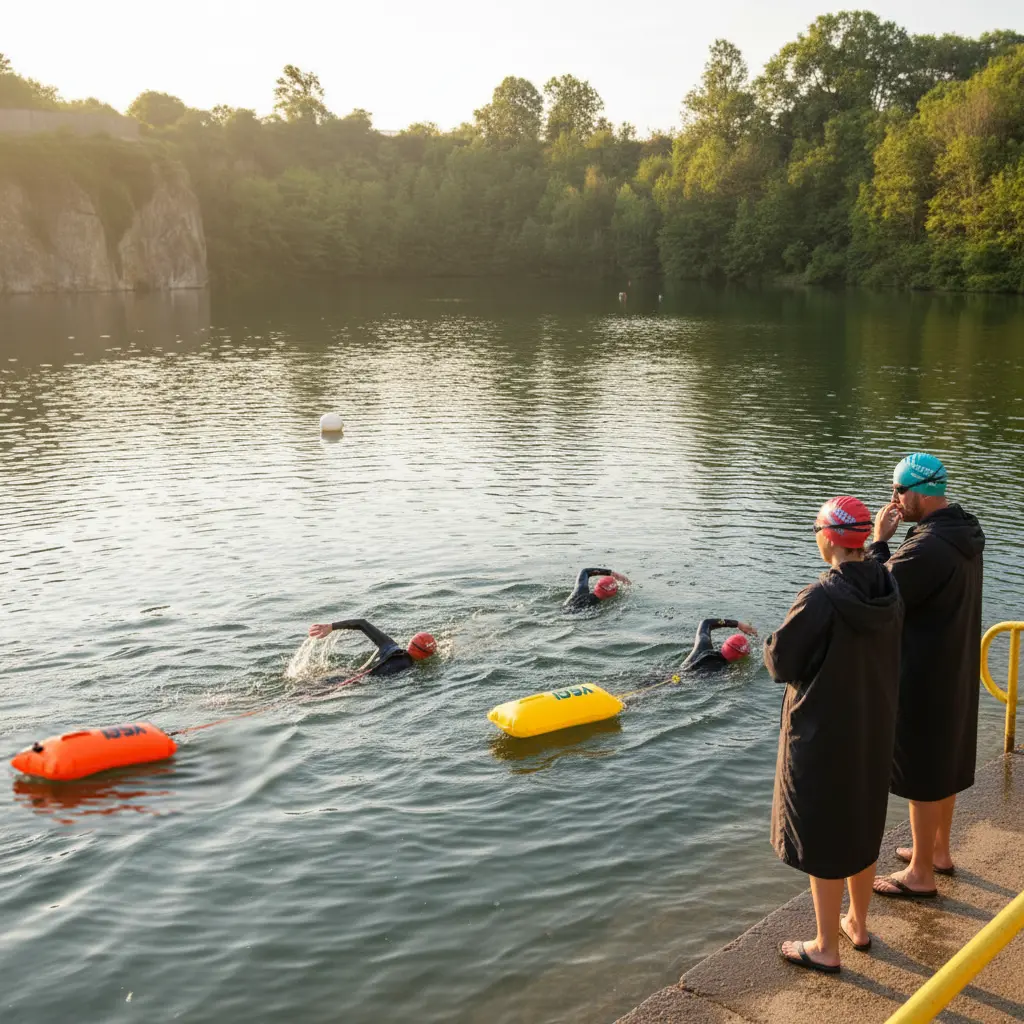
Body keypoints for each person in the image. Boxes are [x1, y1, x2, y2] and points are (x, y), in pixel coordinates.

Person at [766, 496, 903, 973]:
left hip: (823, 736)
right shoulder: (887, 585)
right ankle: (858, 925)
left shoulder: (820, 597)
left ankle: (825, 945)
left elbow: (780, 662)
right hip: (873, 727)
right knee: (862, 826)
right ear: (862, 539)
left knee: (823, 837)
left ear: (828, 538)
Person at [868, 454, 985, 899]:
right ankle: (937, 851)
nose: (893, 500)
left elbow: (875, 593)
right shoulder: (964, 529)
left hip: (924, 673)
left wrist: (880, 542)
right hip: (955, 665)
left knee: (920, 775)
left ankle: (920, 874)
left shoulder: (928, 548)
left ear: (920, 491)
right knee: (944, 766)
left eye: (898, 491)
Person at [307, 618, 437, 678]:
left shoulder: (390, 645)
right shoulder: (410, 669)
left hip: (345, 673)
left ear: (410, 643)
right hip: (354, 682)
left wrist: (331, 626)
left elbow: (362, 623)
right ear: (426, 656)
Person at [680, 618, 756, 672]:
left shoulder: (704, 645)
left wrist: (738, 624)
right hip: (683, 681)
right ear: (739, 657)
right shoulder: (724, 671)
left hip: (676, 674)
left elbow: (706, 622)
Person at [563, 568, 631, 612]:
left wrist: (612, 573)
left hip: (564, 610)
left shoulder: (581, 591)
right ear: (612, 593)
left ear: (596, 586)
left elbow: (585, 571)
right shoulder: (601, 609)